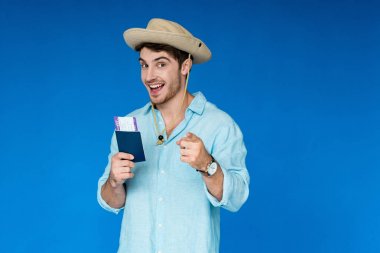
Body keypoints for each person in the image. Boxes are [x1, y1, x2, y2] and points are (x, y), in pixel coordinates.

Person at [97, 18, 250, 253]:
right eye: (144, 65)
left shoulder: (219, 124)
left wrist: (207, 166)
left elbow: (237, 198)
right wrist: (114, 182)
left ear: (185, 66)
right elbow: (112, 201)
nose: (149, 76)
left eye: (160, 64)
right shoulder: (131, 125)